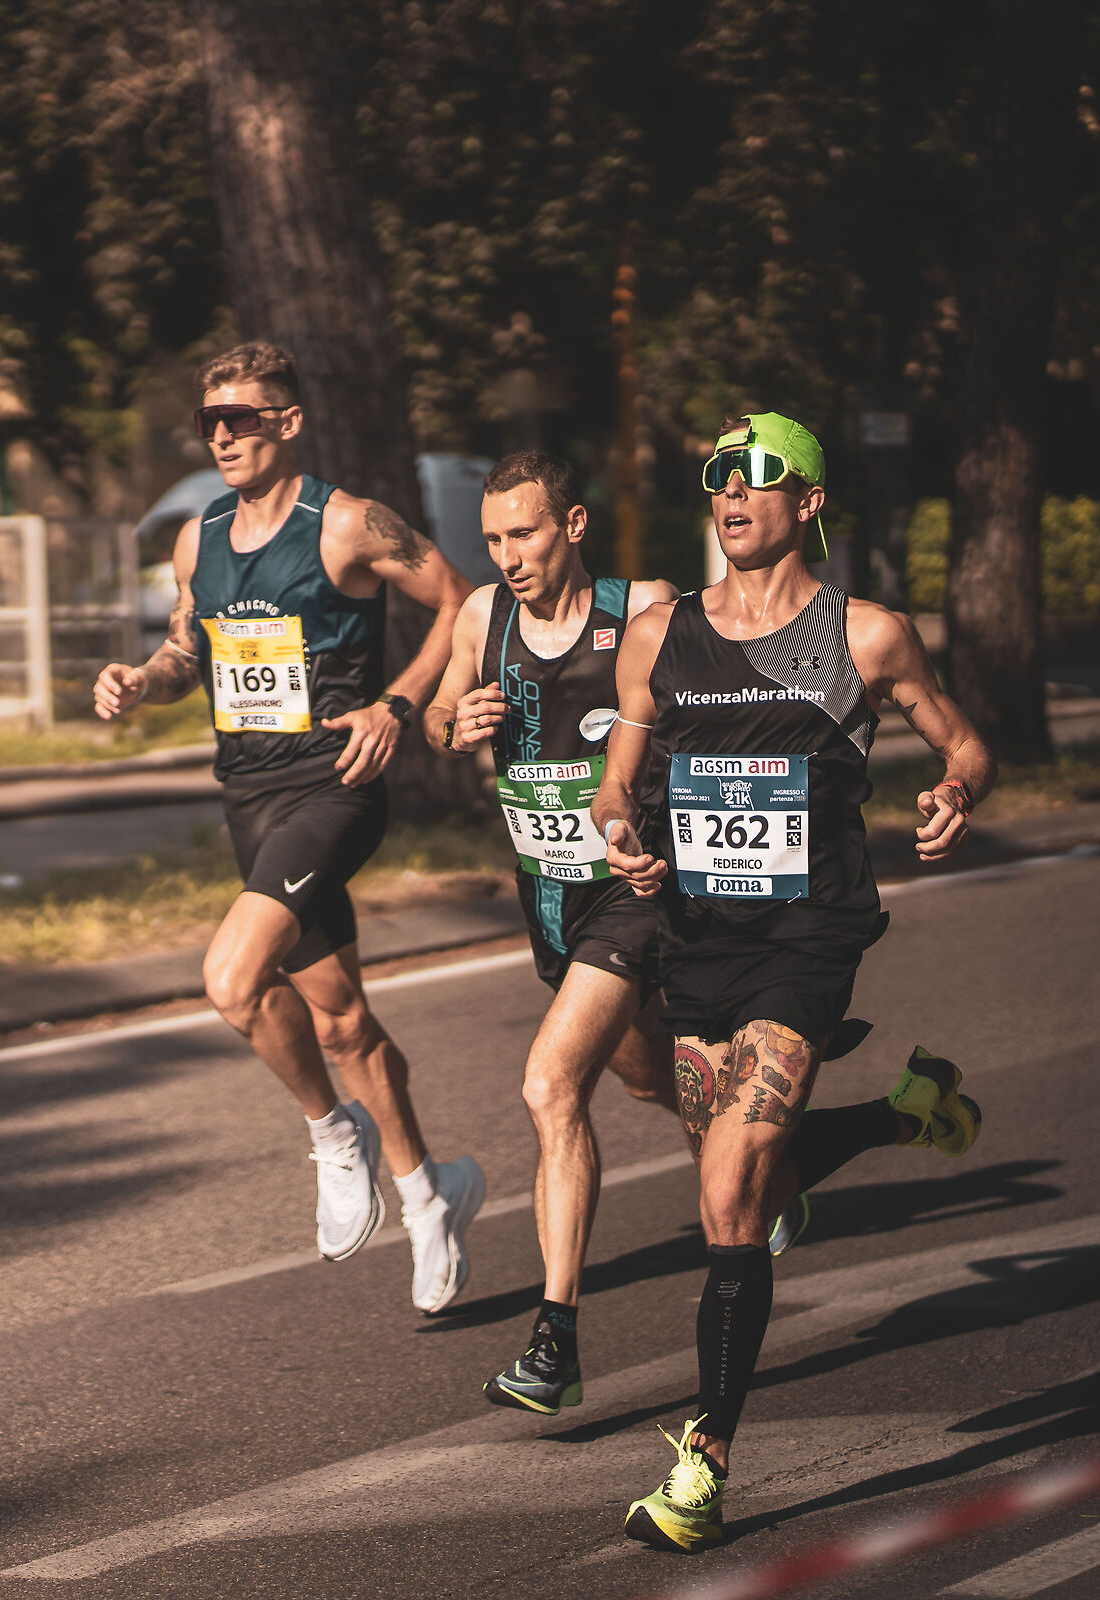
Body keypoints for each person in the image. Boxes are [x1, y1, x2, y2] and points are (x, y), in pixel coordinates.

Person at [590, 412, 994, 1552]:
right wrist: (619, 828)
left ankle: (703, 1465)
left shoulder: (865, 636)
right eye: (719, 475)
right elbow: (614, 783)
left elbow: (967, 744)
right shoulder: (658, 636)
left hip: (807, 938)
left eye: (760, 475)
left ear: (809, 500)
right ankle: (903, 1111)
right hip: (694, 941)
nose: (732, 492)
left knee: (728, 1196)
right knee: (742, 1169)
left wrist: (956, 789)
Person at [95, 341, 487, 1313]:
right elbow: (191, 645)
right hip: (251, 795)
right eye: (209, 421)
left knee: (233, 981)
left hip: (334, 787)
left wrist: (398, 705)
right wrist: (144, 681)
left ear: (287, 422)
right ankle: (433, 1198)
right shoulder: (199, 536)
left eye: (241, 416)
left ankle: (333, 1135)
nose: (222, 434)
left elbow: (455, 600)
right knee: (344, 1019)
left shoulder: (347, 524)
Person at [425, 451, 678, 1410]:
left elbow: (718, 698)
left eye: (522, 534)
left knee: (548, 1083)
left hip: (635, 886)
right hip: (548, 894)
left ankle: (555, 1339)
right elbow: (444, 711)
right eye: (491, 540)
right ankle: (783, 1156)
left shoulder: (644, 604)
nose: (506, 557)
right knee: (653, 1074)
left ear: (571, 525)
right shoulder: (483, 617)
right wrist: (458, 722)